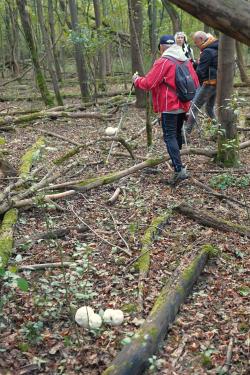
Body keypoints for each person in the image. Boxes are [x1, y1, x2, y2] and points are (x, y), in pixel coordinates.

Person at [132, 34, 199, 185]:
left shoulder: (163, 61)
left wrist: (136, 80)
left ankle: (178, 170)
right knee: (176, 134)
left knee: (169, 136)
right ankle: (179, 165)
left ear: (161, 47)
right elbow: (195, 81)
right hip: (183, 104)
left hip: (169, 105)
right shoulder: (185, 60)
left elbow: (149, 83)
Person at [185, 31, 219, 134]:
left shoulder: (207, 51)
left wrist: (189, 79)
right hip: (217, 83)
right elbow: (209, 66)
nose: (195, 44)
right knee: (209, 108)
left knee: (194, 107)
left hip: (209, 83)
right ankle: (219, 130)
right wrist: (196, 64)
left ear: (201, 39)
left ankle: (186, 132)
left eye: (196, 42)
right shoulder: (215, 47)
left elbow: (200, 71)